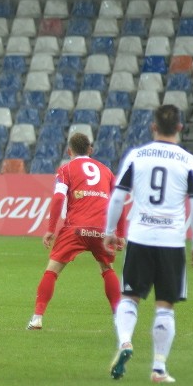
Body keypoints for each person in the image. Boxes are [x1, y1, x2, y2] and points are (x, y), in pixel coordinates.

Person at [104, 104, 193, 384]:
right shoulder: (189, 161)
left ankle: (125, 342)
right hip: (170, 241)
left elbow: (118, 198)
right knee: (164, 306)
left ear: (153, 127)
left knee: (129, 298)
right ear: (180, 128)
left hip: (140, 238)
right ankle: (158, 368)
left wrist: (110, 230)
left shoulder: (137, 156)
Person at [27, 132, 125, 330]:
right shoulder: (106, 171)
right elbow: (119, 201)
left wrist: (50, 229)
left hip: (75, 228)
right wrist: (120, 233)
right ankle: (119, 320)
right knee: (107, 270)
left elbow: (57, 198)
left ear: (68, 150)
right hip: (102, 230)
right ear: (91, 150)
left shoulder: (66, 169)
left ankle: (37, 318)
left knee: (52, 271)